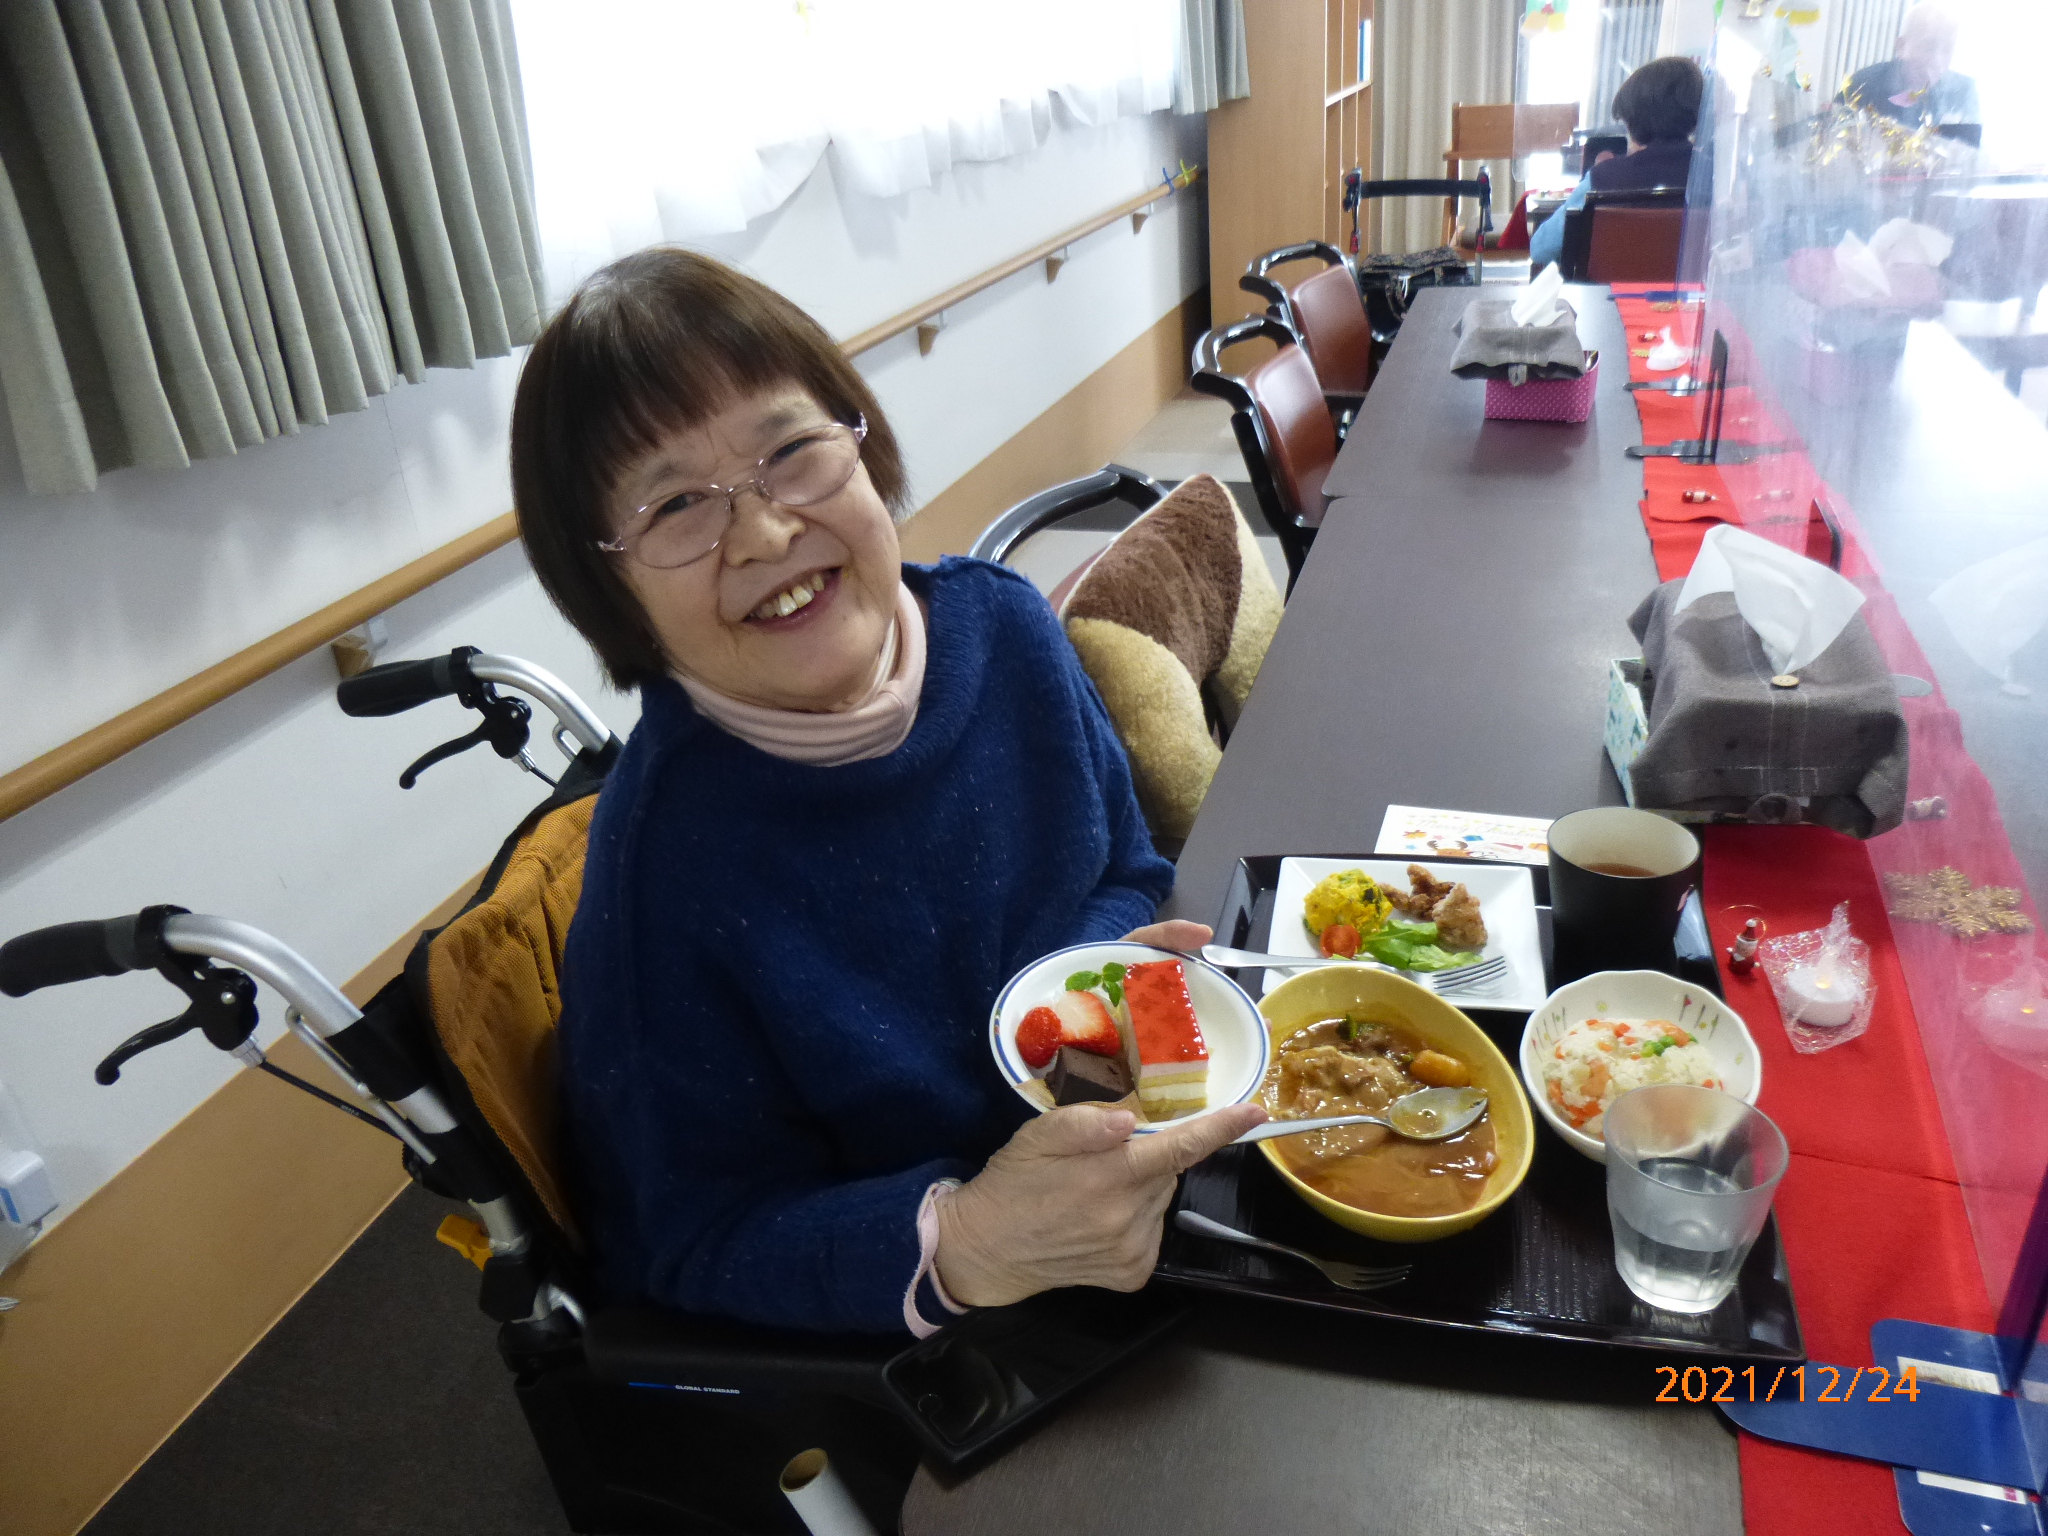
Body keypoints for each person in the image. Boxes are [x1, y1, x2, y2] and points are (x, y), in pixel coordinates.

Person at [509, 248, 1265, 1336]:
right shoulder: (661, 877)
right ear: (610, 592)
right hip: (961, 1328)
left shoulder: (1004, 628)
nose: (765, 533)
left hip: (1139, 1147)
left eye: (790, 451)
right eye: (675, 505)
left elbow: (1125, 865)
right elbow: (684, 1242)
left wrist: (1086, 992)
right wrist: (964, 1240)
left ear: (861, 443)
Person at [1529, 56, 1703, 272]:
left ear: (1632, 122)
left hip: (1608, 292)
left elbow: (1541, 248)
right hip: (1692, 292)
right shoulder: (1715, 174)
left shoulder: (1602, 178)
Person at [1840, 1, 1979, 130]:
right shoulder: (1863, 86)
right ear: (1901, 46)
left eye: (1947, 49)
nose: (1937, 60)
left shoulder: (1963, 93)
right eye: (1929, 46)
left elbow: (1969, 146)